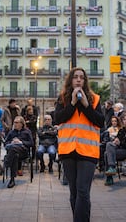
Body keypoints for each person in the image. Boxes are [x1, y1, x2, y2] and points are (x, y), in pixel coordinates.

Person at [54, 67, 104, 222]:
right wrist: (73, 103)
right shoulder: (63, 98)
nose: (78, 80)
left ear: (85, 81)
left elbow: (100, 121)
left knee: (83, 191)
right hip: (68, 150)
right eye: (75, 77)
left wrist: (85, 104)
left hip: (88, 151)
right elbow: (58, 119)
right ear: (71, 80)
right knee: (74, 193)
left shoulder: (94, 99)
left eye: (81, 77)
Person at [4, 116, 34, 188]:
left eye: (16, 122)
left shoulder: (27, 132)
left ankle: (5, 165)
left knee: (13, 150)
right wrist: (12, 142)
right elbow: (5, 142)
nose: (15, 124)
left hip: (23, 152)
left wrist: (21, 142)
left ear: (21, 123)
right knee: (14, 154)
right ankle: (12, 180)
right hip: (14, 152)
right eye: (14, 122)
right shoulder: (11, 132)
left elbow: (31, 143)